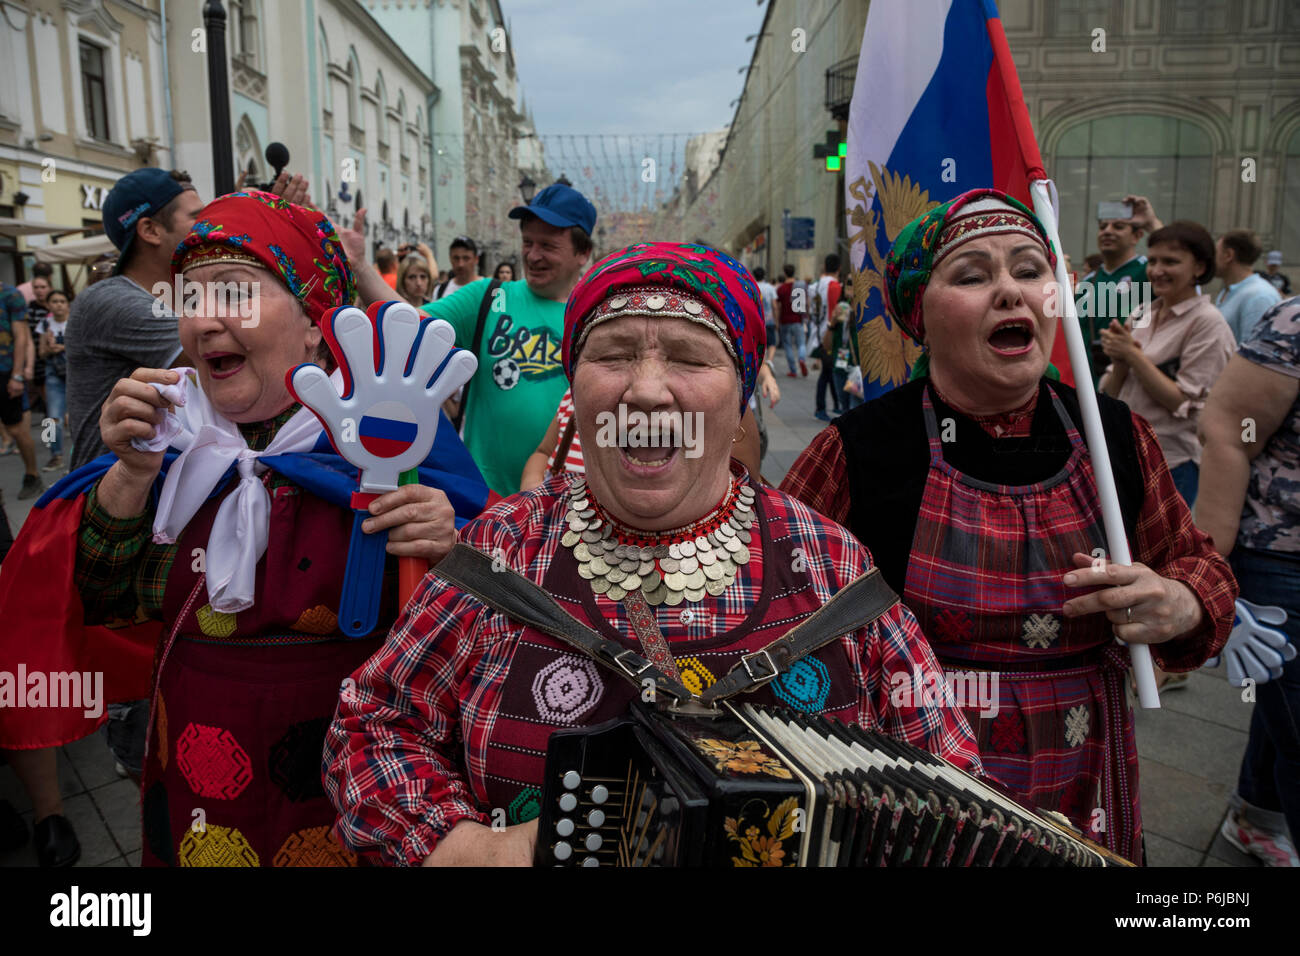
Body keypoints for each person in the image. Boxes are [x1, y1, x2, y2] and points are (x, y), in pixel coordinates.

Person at [324, 242, 984, 866]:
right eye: (612, 356)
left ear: (740, 399)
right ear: (573, 394)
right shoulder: (504, 547)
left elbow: (950, 780)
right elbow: (372, 726)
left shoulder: (831, 566)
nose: (645, 391)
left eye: (690, 359)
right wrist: (478, 850)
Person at [0, 190, 492, 868]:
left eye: (234, 294)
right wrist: (129, 476)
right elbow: (110, 604)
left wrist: (450, 542)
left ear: (316, 324)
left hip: (350, 789)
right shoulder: (169, 444)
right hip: (198, 787)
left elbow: (488, 613)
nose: (204, 322)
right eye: (191, 298)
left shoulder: (390, 438)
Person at [781, 189, 1237, 863]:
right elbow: (773, 610)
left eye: (1029, 270)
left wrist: (1179, 602)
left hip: (1083, 774)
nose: (1010, 291)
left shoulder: (1114, 435)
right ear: (920, 316)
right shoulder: (859, 449)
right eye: (971, 276)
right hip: (916, 789)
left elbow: (1202, 568)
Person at [402, 184, 597, 497]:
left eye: (547, 245)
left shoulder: (596, 317)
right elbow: (404, 323)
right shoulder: (488, 296)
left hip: (564, 504)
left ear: (582, 252)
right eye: (528, 242)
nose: (533, 255)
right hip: (480, 496)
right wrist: (356, 265)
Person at [1196, 294, 1300, 867]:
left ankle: (1258, 814)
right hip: (1279, 554)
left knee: (1279, 694)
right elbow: (1231, 429)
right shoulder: (1293, 319)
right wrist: (1208, 569)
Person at [1099, 221, 1235, 510]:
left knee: (1162, 554)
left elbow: (1183, 403)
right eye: (1154, 261)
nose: (1157, 270)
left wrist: (1133, 356)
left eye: (1170, 262)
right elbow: (1110, 395)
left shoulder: (1207, 323)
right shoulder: (1141, 314)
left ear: (1199, 268)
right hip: (1125, 454)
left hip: (1172, 463)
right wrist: (1121, 361)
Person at [1073, 195, 1162, 384]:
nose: (1108, 231)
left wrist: (1152, 223)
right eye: (1103, 227)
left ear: (1137, 236)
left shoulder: (1149, 272)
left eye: (1118, 227)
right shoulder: (1088, 282)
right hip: (1091, 384)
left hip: (1136, 379)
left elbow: (1178, 262)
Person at [0, 279, 41, 499]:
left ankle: (33, 474)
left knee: (17, 429)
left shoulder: (10, 295)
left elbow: (22, 337)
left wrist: (20, 372)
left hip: (6, 372)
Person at [1214, 229, 1281, 343]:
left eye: (1215, 253)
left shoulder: (1259, 297)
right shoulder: (1228, 290)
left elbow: (1256, 355)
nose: (1210, 259)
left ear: (1228, 255)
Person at [38, 288, 72, 472]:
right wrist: (51, 349)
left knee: (77, 417)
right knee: (51, 418)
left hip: (74, 372)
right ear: (48, 305)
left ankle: (78, 457)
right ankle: (55, 455)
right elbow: (41, 353)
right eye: (54, 301)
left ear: (68, 304)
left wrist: (64, 347)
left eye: (62, 301)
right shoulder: (45, 324)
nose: (58, 304)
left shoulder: (75, 322)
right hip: (53, 374)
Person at [812, 254, 843, 422]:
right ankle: (822, 407)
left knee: (829, 371)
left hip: (819, 333)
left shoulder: (816, 285)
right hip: (830, 335)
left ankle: (836, 404)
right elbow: (834, 312)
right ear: (839, 268)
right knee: (828, 372)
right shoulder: (834, 286)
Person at [775, 264, 806, 377]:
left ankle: (793, 370)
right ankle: (802, 359)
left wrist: (777, 322)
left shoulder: (781, 289)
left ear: (784, 273)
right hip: (797, 319)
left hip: (785, 320)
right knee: (801, 343)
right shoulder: (800, 286)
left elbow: (778, 306)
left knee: (788, 345)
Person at [432, 236, 481, 300]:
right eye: (456, 258)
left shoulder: (488, 289)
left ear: (476, 259)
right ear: (450, 259)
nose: (461, 264)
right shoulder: (440, 291)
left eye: (466, 258)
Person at [753, 265, 778, 351]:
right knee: (772, 343)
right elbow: (774, 306)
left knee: (758, 344)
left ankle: (762, 362)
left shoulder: (752, 287)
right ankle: (770, 361)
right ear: (764, 275)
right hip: (769, 319)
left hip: (756, 320)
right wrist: (776, 320)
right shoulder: (770, 288)